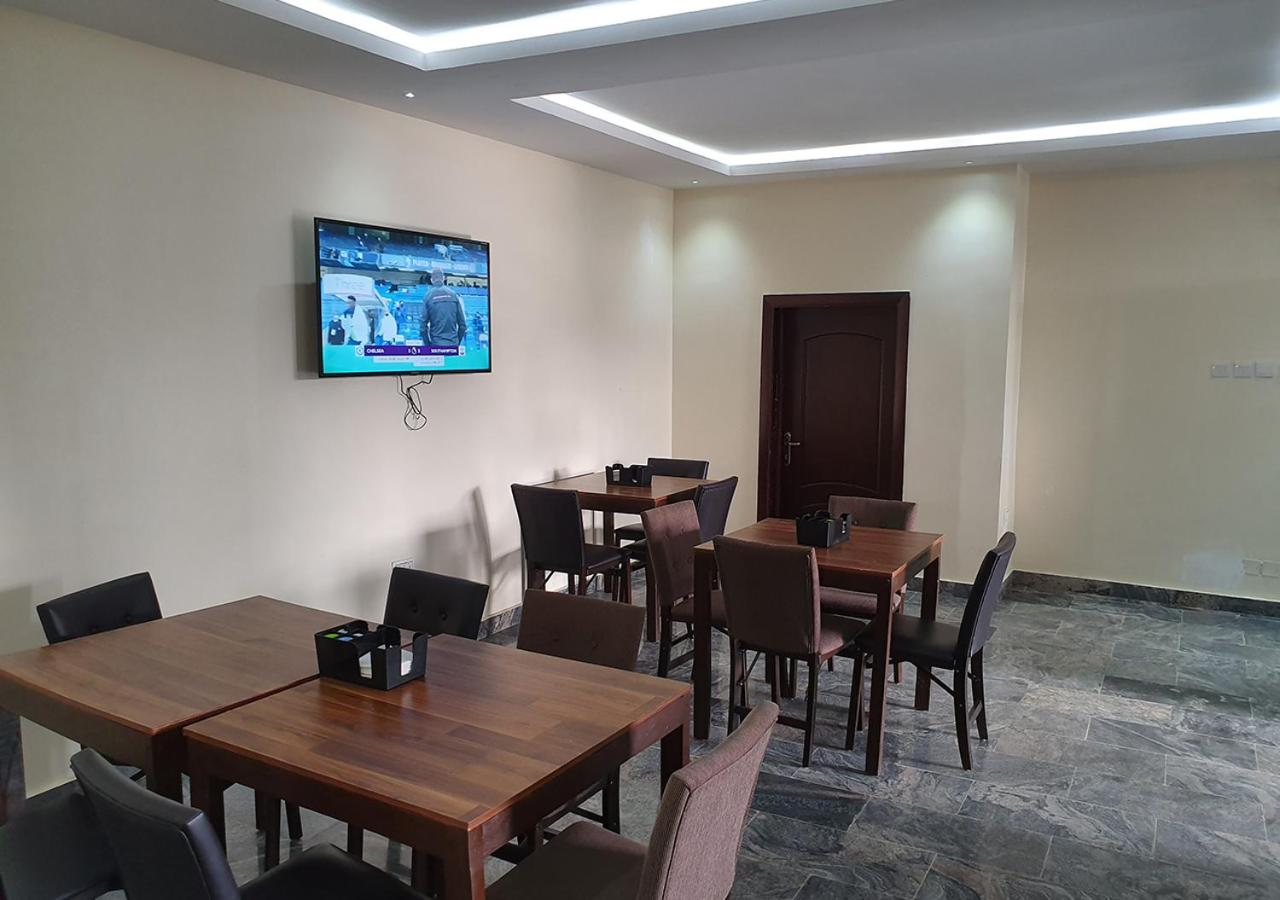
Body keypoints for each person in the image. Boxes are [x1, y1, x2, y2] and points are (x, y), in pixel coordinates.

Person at [422, 269, 467, 348]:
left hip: (435, 345)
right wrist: (457, 342)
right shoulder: (453, 295)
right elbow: (462, 325)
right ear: (444, 278)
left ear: (431, 280)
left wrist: (428, 345)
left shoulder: (428, 296)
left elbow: (422, 327)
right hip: (453, 344)